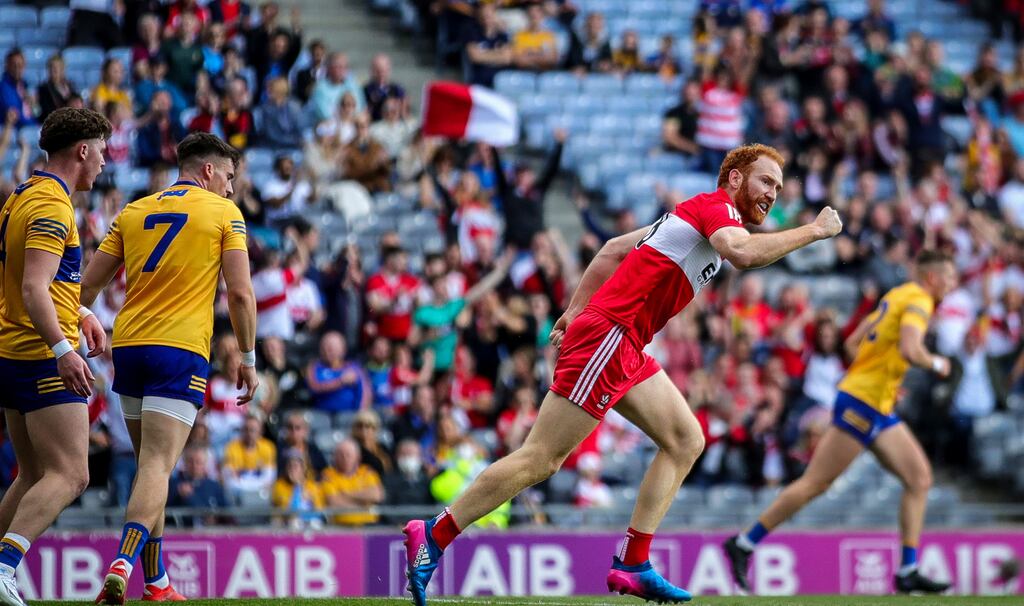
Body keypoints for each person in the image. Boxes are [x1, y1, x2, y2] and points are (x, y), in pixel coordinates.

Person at [403, 143, 843, 605]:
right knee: (542, 459)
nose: (773, 193)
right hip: (612, 336)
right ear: (735, 179)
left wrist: (576, 309)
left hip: (624, 342)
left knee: (685, 440)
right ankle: (433, 534)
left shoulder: (697, 214)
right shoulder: (719, 211)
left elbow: (613, 250)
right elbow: (742, 253)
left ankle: (634, 562)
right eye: (766, 181)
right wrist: (814, 230)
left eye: (778, 186)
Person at [81, 132, 258, 604]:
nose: (230, 188)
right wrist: (247, 356)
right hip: (179, 349)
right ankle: (121, 565)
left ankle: (156, 582)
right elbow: (241, 294)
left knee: (149, 469)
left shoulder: (133, 211)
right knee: (158, 466)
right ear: (207, 170)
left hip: (129, 346)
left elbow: (87, 287)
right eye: (228, 177)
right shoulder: (224, 214)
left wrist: (71, 331)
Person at [724, 250, 959, 595]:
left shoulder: (897, 295)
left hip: (875, 403)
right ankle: (744, 543)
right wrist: (938, 364)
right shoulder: (920, 300)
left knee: (919, 478)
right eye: (949, 277)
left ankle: (908, 569)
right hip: (863, 404)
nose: (952, 284)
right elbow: (911, 349)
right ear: (932, 277)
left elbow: (852, 343)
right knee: (815, 483)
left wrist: (882, 379)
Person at [0, 108, 110, 606]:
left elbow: (34, 279)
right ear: (82, 150)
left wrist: (81, 310)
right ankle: (5, 567)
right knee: (71, 474)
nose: (104, 163)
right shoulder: (52, 206)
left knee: (32, 475)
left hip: (13, 349)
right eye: (101, 152)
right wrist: (63, 349)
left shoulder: (22, 194)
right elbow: (32, 286)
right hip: (40, 355)